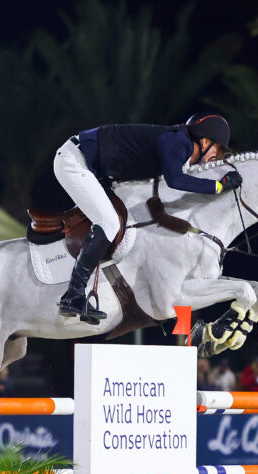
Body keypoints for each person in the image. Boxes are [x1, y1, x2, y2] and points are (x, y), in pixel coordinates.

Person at [53, 113, 242, 323]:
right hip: (74, 162)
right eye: (218, 149)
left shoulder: (179, 143)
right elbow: (175, 180)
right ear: (205, 141)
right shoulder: (177, 141)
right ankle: (74, 294)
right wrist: (218, 186)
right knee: (109, 223)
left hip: (93, 169)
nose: (217, 156)